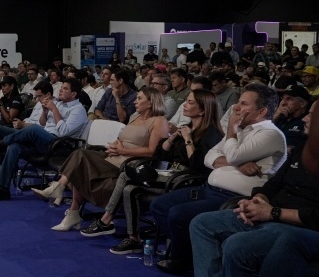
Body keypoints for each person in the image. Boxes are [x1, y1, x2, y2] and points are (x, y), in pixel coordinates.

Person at [188, 102, 319, 277]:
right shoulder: (304, 147)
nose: (305, 119)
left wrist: (272, 212)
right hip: (270, 213)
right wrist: (257, 200)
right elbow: (273, 184)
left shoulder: (273, 135)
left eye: (312, 115)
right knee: (202, 224)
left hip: (297, 226)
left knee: (237, 246)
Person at [150, 83, 287, 274]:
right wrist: (238, 162)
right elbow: (209, 157)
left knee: (177, 214)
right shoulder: (241, 131)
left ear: (262, 111)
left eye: (244, 104)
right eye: (238, 102)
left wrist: (231, 132)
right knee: (159, 206)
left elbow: (232, 155)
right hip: (209, 189)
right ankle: (192, 253)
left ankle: (184, 259)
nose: (236, 108)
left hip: (234, 198)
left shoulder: (271, 134)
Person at [78, 90, 223, 254]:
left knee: (127, 174)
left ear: (203, 110)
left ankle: (106, 220)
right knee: (130, 189)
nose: (184, 105)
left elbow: (197, 165)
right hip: (170, 172)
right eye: (186, 101)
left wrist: (188, 140)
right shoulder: (187, 128)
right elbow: (160, 154)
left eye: (190, 102)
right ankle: (133, 238)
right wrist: (172, 138)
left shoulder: (212, 133)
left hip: (187, 179)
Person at [44, 88, 169, 232]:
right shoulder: (135, 117)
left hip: (128, 165)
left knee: (80, 157)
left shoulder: (159, 121)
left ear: (151, 102)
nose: (135, 101)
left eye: (139, 98)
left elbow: (153, 151)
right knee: (79, 157)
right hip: (113, 156)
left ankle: (61, 192)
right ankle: (71, 209)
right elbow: (122, 138)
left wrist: (123, 151)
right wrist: (114, 146)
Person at [0, 79, 89, 202]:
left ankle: (0, 143)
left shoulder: (78, 110)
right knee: (14, 147)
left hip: (60, 146)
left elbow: (64, 132)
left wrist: (54, 110)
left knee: (33, 129)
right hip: (43, 141)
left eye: (65, 88)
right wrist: (45, 112)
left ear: (73, 94)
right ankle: (2, 189)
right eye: (61, 87)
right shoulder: (58, 104)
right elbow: (43, 124)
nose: (61, 90)